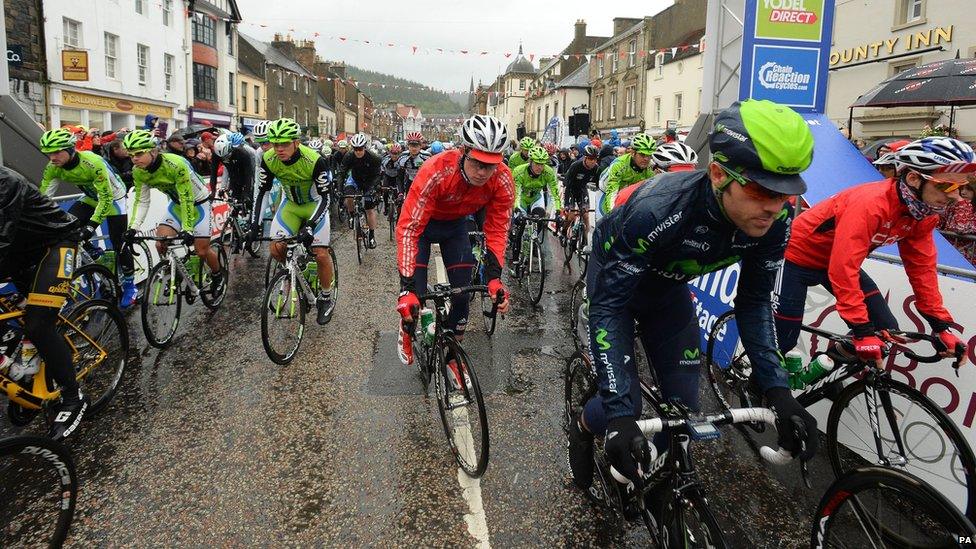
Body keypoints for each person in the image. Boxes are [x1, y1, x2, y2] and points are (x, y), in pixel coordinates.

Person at [567, 99, 819, 495]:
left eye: (786, 192)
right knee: (625, 405)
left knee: (685, 408)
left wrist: (779, 391)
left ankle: (662, 490)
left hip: (667, 290)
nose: (773, 206)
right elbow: (610, 305)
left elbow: (753, 303)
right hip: (618, 285)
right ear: (718, 174)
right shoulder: (659, 210)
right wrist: (617, 416)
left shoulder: (777, 221)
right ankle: (583, 426)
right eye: (759, 189)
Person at [775, 136, 972, 372]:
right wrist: (861, 329)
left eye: (960, 187)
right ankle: (760, 391)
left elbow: (922, 270)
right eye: (947, 186)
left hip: (833, 263)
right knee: (784, 339)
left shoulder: (923, 214)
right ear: (913, 178)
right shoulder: (871, 204)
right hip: (795, 259)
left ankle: (822, 369)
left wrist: (940, 325)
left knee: (885, 328)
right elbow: (843, 266)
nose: (956, 196)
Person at [395, 114, 514, 366]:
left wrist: (493, 278)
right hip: (423, 228)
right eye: (478, 163)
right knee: (412, 299)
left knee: (462, 297)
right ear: (463, 151)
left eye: (491, 165)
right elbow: (409, 228)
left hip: (455, 228)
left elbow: (497, 228)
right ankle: (407, 328)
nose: (483, 172)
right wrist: (406, 287)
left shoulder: (502, 178)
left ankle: (452, 357)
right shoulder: (436, 171)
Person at [0, 167, 88, 440]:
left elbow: (2, 237)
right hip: (18, 251)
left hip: (55, 243)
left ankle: (73, 398)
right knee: (19, 315)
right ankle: (23, 361)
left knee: (39, 325)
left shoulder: (6, 182)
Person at [38, 128, 138, 308]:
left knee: (119, 243)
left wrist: (91, 226)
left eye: (56, 152)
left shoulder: (92, 162)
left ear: (70, 149)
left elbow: (106, 198)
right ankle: (93, 251)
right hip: (91, 197)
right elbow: (43, 199)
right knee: (67, 225)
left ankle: (130, 286)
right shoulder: (53, 167)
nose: (52, 157)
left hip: (114, 198)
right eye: (48, 153)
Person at [250, 118, 336, 325]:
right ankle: (296, 269)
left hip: (314, 205)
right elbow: (262, 192)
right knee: (276, 248)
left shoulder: (315, 160)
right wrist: (255, 224)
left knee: (321, 253)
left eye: (284, 144)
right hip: (290, 206)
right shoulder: (268, 159)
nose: (279, 149)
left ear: (296, 142)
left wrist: (310, 225)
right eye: (275, 143)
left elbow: (326, 197)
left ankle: (325, 297)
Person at [123, 130, 224, 295]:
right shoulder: (138, 171)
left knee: (201, 250)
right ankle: (174, 268)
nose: (134, 158)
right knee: (160, 243)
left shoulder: (176, 163)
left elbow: (187, 198)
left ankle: (218, 275)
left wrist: (188, 229)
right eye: (131, 155)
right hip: (176, 205)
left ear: (153, 151)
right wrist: (133, 227)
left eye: (139, 153)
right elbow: (141, 200)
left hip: (198, 204)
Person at [510, 145, 560, 266]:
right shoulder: (519, 171)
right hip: (521, 199)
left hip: (536, 199)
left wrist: (558, 210)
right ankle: (516, 259)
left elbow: (554, 193)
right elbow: (515, 193)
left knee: (539, 219)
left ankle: (533, 242)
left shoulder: (548, 172)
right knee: (521, 227)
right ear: (530, 161)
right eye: (537, 163)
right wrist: (516, 208)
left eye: (542, 164)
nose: (540, 167)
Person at [596, 133, 656, 219]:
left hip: (627, 192)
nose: (646, 159)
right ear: (633, 153)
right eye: (642, 155)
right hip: (606, 190)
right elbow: (612, 192)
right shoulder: (619, 165)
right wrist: (612, 217)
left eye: (649, 155)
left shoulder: (650, 168)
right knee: (607, 223)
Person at [338, 133, 382, 249]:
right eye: (355, 149)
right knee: (348, 197)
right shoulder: (349, 156)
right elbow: (342, 173)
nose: (358, 151)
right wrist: (339, 189)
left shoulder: (373, 157)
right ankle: (352, 215)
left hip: (369, 181)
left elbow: (378, 175)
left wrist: (373, 188)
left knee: (369, 209)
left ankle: (372, 236)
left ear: (365, 147)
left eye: (360, 149)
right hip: (354, 179)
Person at [212, 132, 257, 215]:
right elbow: (214, 173)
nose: (225, 159)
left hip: (248, 176)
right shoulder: (217, 153)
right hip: (235, 179)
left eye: (227, 156)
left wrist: (247, 193)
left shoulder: (245, 152)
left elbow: (250, 174)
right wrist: (215, 191)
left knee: (248, 204)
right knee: (234, 208)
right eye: (223, 157)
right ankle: (235, 223)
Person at [561, 144, 601, 237]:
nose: (593, 162)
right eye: (591, 159)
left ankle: (586, 240)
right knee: (571, 216)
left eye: (595, 159)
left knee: (586, 216)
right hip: (571, 189)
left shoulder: (596, 168)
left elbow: (598, 184)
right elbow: (568, 186)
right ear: (585, 158)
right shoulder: (576, 165)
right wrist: (567, 204)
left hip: (582, 190)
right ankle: (564, 230)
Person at [396, 131, 430, 197]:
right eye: (411, 146)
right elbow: (400, 178)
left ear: (420, 146)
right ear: (408, 146)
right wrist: (400, 193)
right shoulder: (402, 158)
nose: (414, 148)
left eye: (416, 146)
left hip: (423, 183)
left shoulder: (426, 157)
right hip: (409, 181)